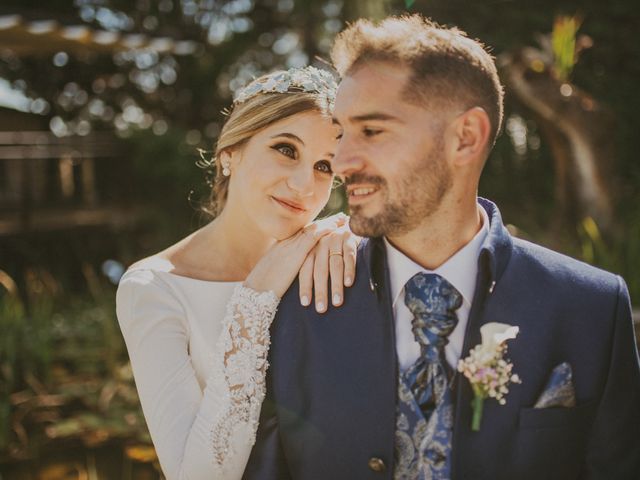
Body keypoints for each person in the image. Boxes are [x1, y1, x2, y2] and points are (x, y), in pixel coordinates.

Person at [243, 15, 640, 480]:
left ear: (465, 137)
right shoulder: (297, 306)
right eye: (342, 134)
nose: (343, 162)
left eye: (371, 131)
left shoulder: (591, 307)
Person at [116, 66, 359, 480]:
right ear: (230, 153)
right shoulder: (154, 288)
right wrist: (256, 297)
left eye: (324, 167)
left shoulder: (334, 249)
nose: (304, 184)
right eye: (286, 149)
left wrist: (354, 237)